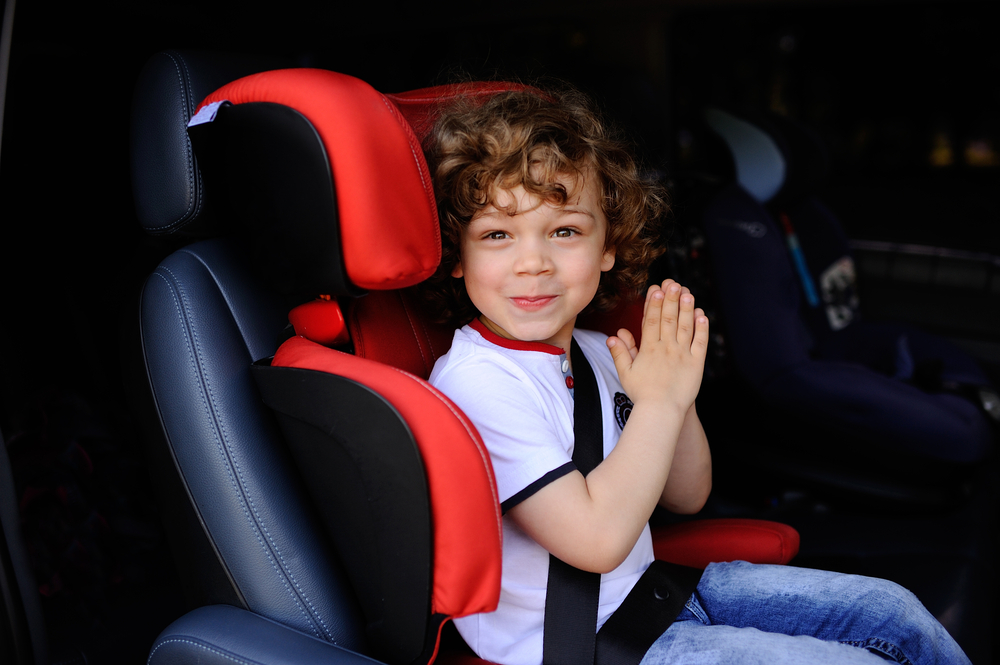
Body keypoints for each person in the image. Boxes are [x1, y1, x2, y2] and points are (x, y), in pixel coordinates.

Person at [422, 86, 970, 665]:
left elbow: (689, 493)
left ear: (608, 246)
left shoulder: (600, 349)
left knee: (892, 612)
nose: (533, 262)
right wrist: (656, 405)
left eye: (564, 231)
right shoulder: (479, 383)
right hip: (579, 640)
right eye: (496, 235)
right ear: (458, 256)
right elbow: (596, 541)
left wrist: (677, 394)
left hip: (657, 594)